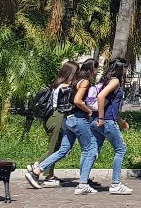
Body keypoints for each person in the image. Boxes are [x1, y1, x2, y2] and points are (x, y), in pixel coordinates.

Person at [26, 60, 79, 188]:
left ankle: (47, 173)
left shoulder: (56, 84)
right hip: (58, 117)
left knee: (56, 147)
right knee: (54, 148)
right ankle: (38, 168)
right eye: (76, 73)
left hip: (52, 117)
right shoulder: (64, 87)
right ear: (70, 73)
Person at [92, 58, 132, 195]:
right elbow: (101, 97)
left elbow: (109, 104)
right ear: (121, 68)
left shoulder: (105, 80)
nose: (127, 71)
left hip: (102, 119)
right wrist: (102, 118)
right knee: (121, 149)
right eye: (126, 68)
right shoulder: (115, 81)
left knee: (93, 149)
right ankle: (115, 183)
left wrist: (121, 121)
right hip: (106, 121)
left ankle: (83, 181)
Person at [61, 59, 100, 195]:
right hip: (79, 118)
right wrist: (89, 110)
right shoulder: (85, 82)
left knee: (78, 149)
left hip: (69, 118)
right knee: (90, 149)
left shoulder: (76, 80)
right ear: (92, 69)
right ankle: (83, 183)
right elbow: (77, 100)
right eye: (96, 69)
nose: (97, 72)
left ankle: (83, 180)